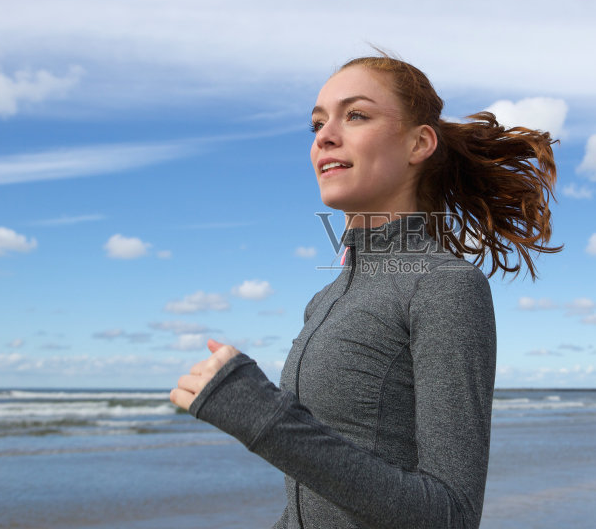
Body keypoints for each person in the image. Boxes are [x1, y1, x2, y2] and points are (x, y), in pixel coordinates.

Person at [170, 54, 560, 528]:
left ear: (419, 143)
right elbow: (315, 501)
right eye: (317, 123)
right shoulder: (324, 301)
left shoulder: (445, 286)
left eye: (355, 115)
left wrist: (263, 418)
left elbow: (451, 517)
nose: (324, 136)